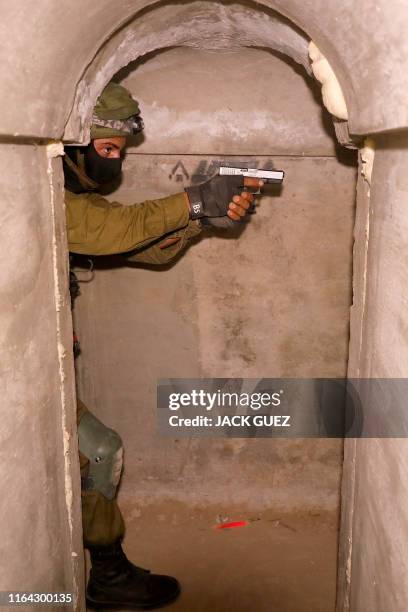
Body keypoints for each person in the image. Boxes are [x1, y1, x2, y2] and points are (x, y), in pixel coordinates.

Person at [64, 82, 263, 609]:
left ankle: (101, 573)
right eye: (108, 149)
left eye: (120, 152)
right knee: (99, 451)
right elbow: (116, 229)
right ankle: (103, 578)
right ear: (73, 144)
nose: (114, 163)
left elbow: (143, 249)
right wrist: (194, 199)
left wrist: (201, 218)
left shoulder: (73, 199)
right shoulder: (35, 189)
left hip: (49, 369)